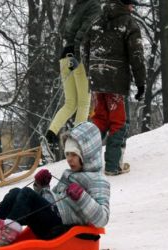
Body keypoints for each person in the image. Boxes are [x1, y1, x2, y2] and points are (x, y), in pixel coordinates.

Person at [0, 122, 110, 247]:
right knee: (15, 192)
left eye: (73, 154)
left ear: (88, 154)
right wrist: (42, 187)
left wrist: (82, 197)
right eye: (67, 154)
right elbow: (55, 201)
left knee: (26, 193)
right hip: (51, 219)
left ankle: (7, 235)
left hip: (60, 227)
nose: (69, 159)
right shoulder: (69, 173)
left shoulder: (98, 180)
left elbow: (102, 218)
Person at [83, 0, 146, 176]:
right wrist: (141, 82)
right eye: (131, 4)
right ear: (125, 5)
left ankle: (86, 160)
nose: (133, 7)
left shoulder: (96, 22)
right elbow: (136, 54)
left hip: (96, 78)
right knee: (118, 122)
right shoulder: (129, 23)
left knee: (99, 119)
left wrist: (91, 71)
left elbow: (84, 47)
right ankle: (113, 165)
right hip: (115, 81)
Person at [45, 0, 102, 152]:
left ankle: (50, 135)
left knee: (70, 103)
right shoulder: (95, 6)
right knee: (83, 102)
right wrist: (77, 54)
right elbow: (84, 33)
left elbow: (66, 31)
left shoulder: (77, 6)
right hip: (78, 56)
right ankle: (77, 143)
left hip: (64, 56)